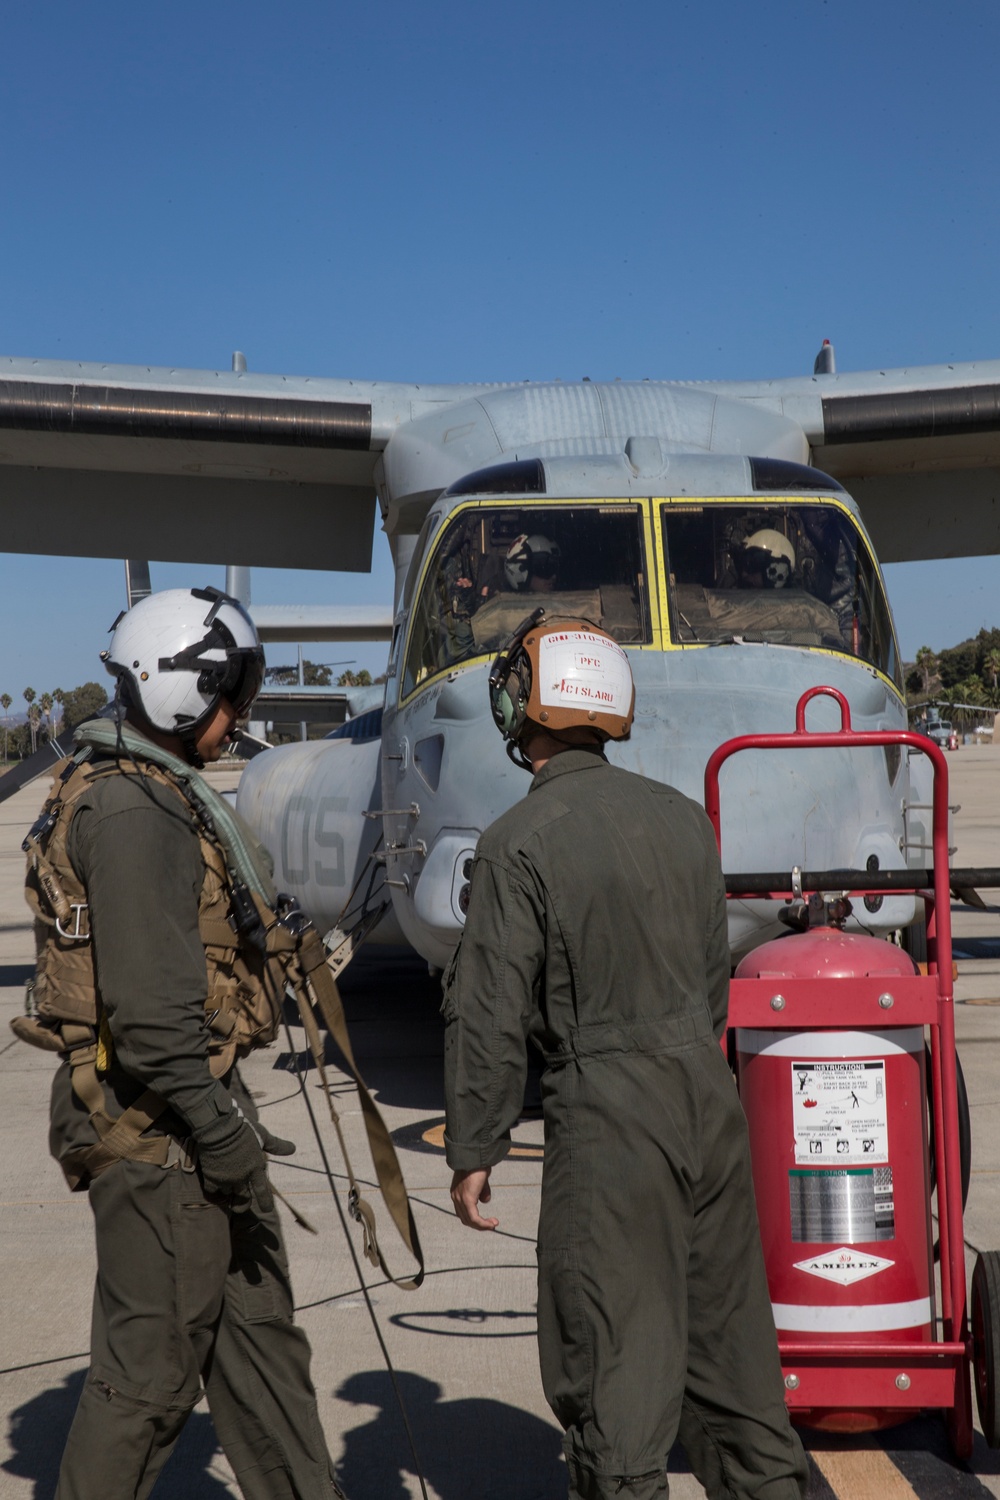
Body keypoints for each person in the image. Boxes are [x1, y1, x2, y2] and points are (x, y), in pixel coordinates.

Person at [441, 613, 807, 1500]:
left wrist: (475, 1147)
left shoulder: (516, 845)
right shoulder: (684, 820)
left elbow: (488, 1012)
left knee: (613, 1383)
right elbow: (711, 984)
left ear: (526, 706)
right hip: (705, 1105)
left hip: (611, 1118)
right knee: (738, 1387)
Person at [15, 586, 343, 1500]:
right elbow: (155, 1026)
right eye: (230, 691)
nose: (240, 713)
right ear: (183, 693)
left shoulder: (154, 792)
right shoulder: (134, 812)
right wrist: (223, 1134)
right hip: (160, 1131)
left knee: (262, 1355)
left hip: (191, 1120)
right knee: (150, 1381)